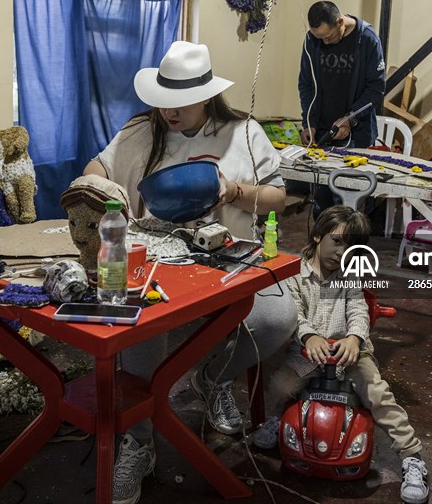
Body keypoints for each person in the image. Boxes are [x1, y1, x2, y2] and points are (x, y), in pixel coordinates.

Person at [82, 40, 296, 504]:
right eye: (162, 100)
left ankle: (211, 376)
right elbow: (99, 165)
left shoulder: (243, 132)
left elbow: (279, 196)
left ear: (205, 95)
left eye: (179, 103)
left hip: (228, 263)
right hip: (157, 265)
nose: (168, 111)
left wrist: (235, 190)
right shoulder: (143, 130)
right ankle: (139, 441)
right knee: (137, 328)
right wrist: (94, 184)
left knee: (278, 317)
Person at [249, 206, 430, 504]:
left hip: (349, 355)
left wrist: (355, 338)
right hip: (309, 353)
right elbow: (294, 311)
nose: (341, 252)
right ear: (318, 236)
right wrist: (309, 336)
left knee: (377, 394)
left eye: (351, 248)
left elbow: (358, 309)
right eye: (336, 242)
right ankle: (277, 417)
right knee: (281, 385)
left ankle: (412, 457)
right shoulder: (293, 273)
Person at [298, 1, 386, 213]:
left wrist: (350, 118)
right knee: (322, 203)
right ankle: (322, 245)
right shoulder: (312, 40)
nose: (325, 43)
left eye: (327, 37)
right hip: (322, 133)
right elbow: (306, 84)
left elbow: (376, 88)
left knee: (347, 205)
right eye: (319, 38)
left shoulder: (367, 39)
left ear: (340, 22)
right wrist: (308, 122)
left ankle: (348, 247)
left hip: (357, 136)